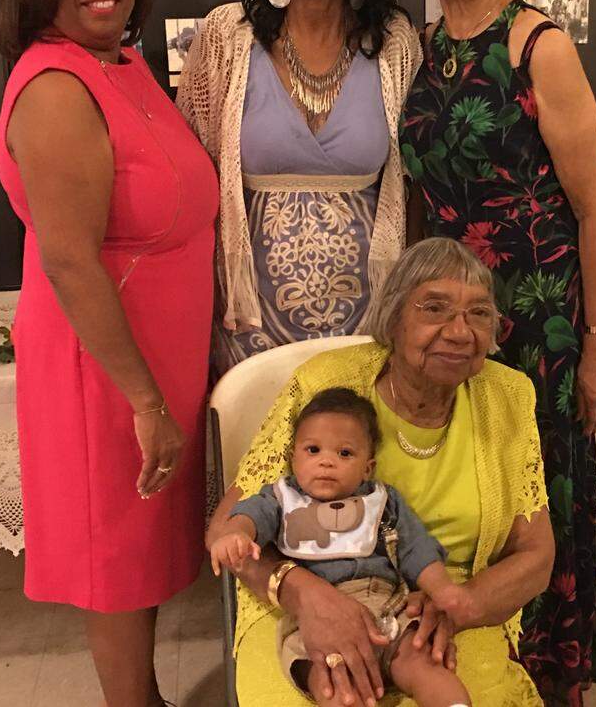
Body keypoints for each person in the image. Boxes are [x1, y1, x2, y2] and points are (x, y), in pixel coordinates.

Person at [397, 0, 596, 703]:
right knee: (466, 489)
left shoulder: (539, 46)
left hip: (535, 320)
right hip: (450, 317)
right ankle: (466, 662)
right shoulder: (422, 50)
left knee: (539, 500)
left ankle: (548, 679)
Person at [0, 0, 218, 707]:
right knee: (115, 561)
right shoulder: (56, 86)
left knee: (143, 546)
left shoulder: (117, 63)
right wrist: (144, 397)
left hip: (151, 352)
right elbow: (70, 261)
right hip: (106, 367)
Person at [207, 237, 555, 706]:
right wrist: (303, 594)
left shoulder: (509, 396)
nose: (460, 332)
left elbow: (536, 553)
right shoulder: (325, 385)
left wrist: (463, 603)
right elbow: (226, 530)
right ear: (393, 319)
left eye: (479, 313)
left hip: (440, 606)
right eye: (435, 309)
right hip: (300, 589)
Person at [176, 0, 421, 374]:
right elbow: (194, 177)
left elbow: (415, 186)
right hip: (251, 323)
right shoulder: (226, 36)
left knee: (353, 453)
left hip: (368, 320)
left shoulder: (395, 41)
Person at [210, 387, 472, 707]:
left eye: (344, 453)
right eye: (313, 450)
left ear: (367, 467)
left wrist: (443, 589)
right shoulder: (281, 498)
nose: (327, 462)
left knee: (424, 664)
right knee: (334, 686)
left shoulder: (382, 502)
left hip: (388, 607)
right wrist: (237, 534)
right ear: (294, 457)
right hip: (315, 621)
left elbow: (416, 548)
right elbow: (250, 516)